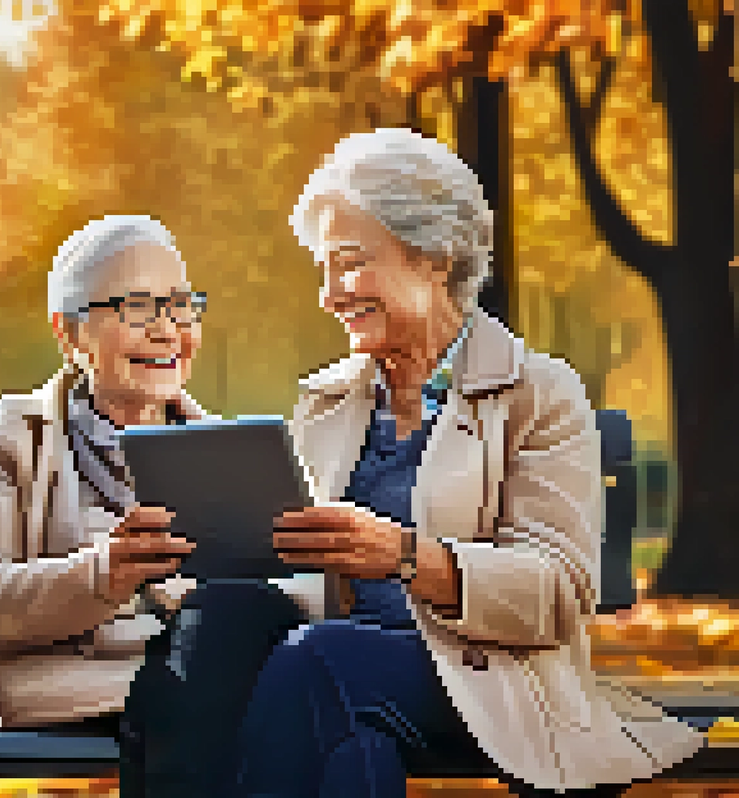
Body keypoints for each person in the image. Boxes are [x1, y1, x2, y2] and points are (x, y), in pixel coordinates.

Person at [233, 128, 705, 797]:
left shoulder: (540, 392)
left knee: (318, 667)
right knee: (329, 727)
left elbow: (559, 594)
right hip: (340, 676)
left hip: (496, 679)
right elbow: (304, 580)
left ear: (433, 257)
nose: (330, 294)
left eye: (350, 263)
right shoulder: (328, 400)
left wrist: (403, 555)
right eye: (324, 269)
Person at [0, 215, 313, 797]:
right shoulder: (13, 433)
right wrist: (104, 574)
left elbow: (301, 592)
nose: (169, 331)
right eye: (138, 308)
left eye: (183, 307)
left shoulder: (232, 452)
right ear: (69, 334)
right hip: (77, 688)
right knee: (221, 694)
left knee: (231, 629)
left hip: (210, 681)